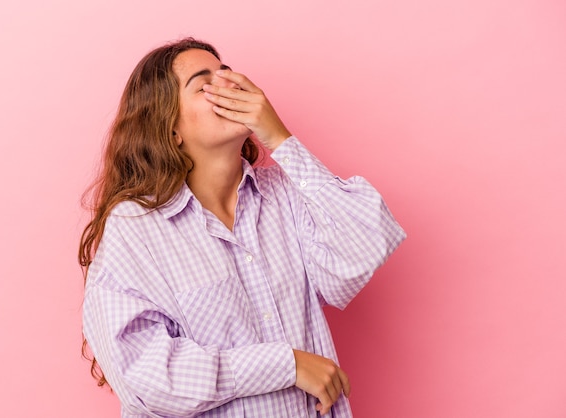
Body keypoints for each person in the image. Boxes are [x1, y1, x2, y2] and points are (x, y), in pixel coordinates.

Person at [79, 37, 406, 418]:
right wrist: (287, 365)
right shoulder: (136, 227)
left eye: (228, 75)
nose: (229, 85)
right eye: (204, 84)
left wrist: (281, 140)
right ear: (171, 131)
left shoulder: (285, 195)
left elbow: (365, 245)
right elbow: (146, 378)